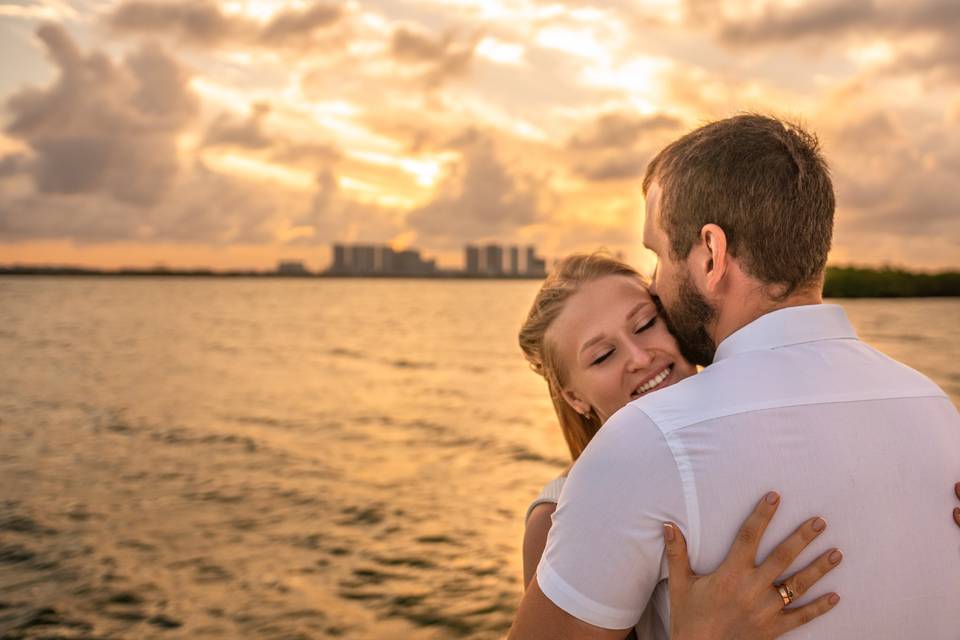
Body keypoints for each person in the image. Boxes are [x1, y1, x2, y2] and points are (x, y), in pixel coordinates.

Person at [507, 114, 960, 639]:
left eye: (657, 254)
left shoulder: (646, 444)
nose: (657, 283)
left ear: (710, 255)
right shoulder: (934, 409)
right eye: (603, 354)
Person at [517, 252, 842, 637]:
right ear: (575, 398)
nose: (639, 357)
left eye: (645, 324)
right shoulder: (557, 516)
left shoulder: (767, 430)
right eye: (603, 355)